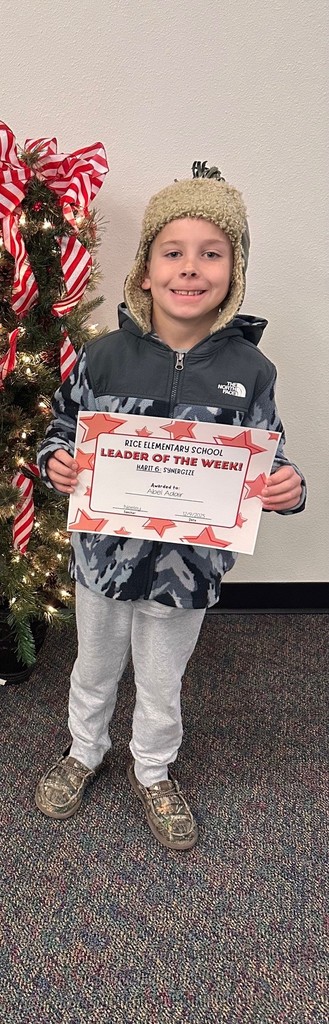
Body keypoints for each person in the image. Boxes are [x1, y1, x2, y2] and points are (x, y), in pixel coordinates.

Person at [35, 162, 306, 850]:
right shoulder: (101, 357)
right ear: (146, 270)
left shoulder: (251, 371)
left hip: (187, 569)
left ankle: (153, 770)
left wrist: (287, 486)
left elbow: (268, 454)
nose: (190, 268)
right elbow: (62, 426)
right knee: (94, 666)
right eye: (172, 252)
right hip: (103, 559)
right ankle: (84, 752)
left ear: (233, 271)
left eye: (211, 253)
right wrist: (57, 459)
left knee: (162, 680)